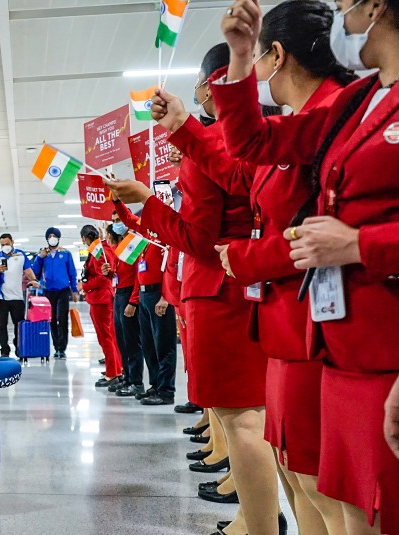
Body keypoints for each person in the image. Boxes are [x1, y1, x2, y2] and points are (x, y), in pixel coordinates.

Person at [214, 0, 399, 531]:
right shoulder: (359, 100)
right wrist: (240, 59)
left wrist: (361, 244)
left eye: (344, 8)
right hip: (339, 337)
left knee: (364, 508)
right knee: (338, 500)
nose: (341, 22)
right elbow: (253, 142)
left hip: (381, 332)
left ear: (375, 8)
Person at [193, 2, 357, 531]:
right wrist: (241, 57)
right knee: (301, 472)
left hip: (323, 315)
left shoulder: (341, 112)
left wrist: (246, 257)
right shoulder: (304, 122)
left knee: (329, 489)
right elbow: (247, 158)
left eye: (259, 57)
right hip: (287, 320)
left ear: (278, 55)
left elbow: (325, 231)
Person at [104, 43, 278, 535]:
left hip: (220, 290)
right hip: (243, 284)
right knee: (251, 416)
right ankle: (253, 517)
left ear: (211, 85)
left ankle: (261, 525)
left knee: (242, 420)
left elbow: (199, 239)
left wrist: (147, 202)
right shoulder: (251, 140)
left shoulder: (214, 144)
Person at [112, 200, 178, 406]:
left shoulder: (164, 237)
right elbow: (128, 219)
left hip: (158, 294)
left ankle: (166, 390)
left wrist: (165, 297)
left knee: (163, 345)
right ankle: (155, 385)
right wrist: (116, 200)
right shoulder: (145, 237)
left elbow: (171, 268)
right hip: (144, 295)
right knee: (149, 345)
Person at [103, 219, 144, 397]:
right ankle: (127, 377)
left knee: (132, 341)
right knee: (122, 341)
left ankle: (136, 381)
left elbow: (138, 276)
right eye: (114, 221)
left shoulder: (134, 244)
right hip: (119, 294)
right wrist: (109, 273)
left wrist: (133, 301)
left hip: (128, 295)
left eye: (118, 220)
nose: (115, 224)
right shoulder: (120, 249)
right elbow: (119, 274)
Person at [78, 225, 122, 388]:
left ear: (84, 238)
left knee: (106, 338)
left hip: (100, 299)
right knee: (110, 336)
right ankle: (116, 368)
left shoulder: (98, 251)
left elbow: (103, 277)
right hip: (103, 298)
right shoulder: (101, 248)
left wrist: (85, 286)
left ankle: (113, 373)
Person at [0, 233, 40, 358]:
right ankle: (4, 350)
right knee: (1, 325)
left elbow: (28, 270)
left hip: (17, 297)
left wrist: (34, 280)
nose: (5, 246)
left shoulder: (20, 255)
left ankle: (19, 347)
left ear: (12, 242)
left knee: (19, 325)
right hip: (1, 298)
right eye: (2, 245)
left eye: (7, 244)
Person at [31, 227, 79, 359]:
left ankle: (62, 348)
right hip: (48, 291)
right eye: (50, 236)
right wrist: (39, 258)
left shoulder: (66, 253)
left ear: (58, 238)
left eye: (54, 236)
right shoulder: (43, 254)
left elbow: (72, 273)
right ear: (47, 239)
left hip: (63, 290)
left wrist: (74, 290)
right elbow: (35, 272)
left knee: (62, 318)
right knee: (51, 318)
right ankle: (56, 346)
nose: (52, 238)